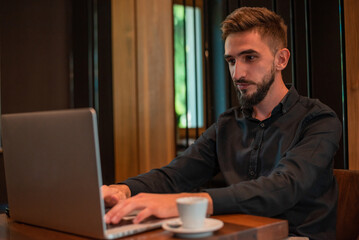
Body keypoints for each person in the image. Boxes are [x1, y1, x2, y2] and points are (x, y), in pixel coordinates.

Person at [102, 7, 342, 239]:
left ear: (281, 59)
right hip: (238, 233)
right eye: (231, 61)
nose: (238, 74)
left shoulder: (319, 120)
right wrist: (122, 190)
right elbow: (176, 175)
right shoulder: (227, 124)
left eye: (249, 57)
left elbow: (285, 186)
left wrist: (186, 203)